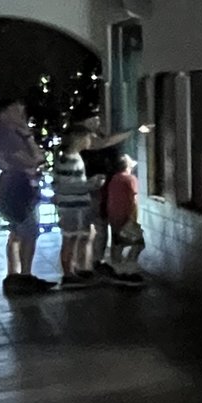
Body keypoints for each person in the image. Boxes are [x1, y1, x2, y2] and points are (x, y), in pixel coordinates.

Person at [51, 116, 138, 286]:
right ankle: (69, 274)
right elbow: (67, 187)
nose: (91, 141)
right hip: (72, 207)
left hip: (77, 205)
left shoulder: (73, 158)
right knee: (70, 239)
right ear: (79, 139)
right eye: (88, 137)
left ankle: (78, 270)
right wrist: (90, 185)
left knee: (80, 236)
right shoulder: (70, 160)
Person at [0, 98, 51, 296]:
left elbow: (36, 159)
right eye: (16, 109)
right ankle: (24, 276)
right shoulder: (6, 137)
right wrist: (29, 139)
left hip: (13, 185)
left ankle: (15, 274)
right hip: (17, 187)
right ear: (4, 113)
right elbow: (34, 159)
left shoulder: (6, 135)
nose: (21, 112)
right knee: (28, 232)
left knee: (16, 232)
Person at [91, 144, 146, 289]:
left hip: (113, 215)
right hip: (126, 216)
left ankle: (117, 267)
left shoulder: (114, 178)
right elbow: (134, 199)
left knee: (117, 242)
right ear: (127, 166)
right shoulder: (130, 179)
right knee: (138, 244)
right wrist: (134, 217)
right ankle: (130, 268)